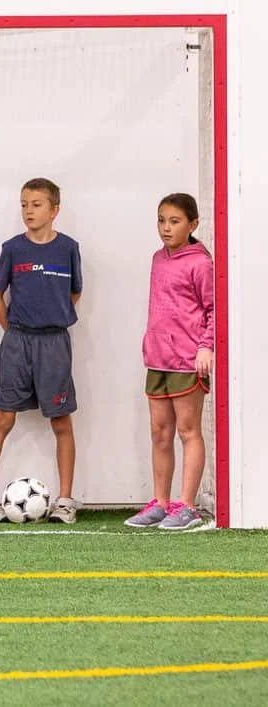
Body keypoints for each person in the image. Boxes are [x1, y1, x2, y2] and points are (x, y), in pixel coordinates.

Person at [0, 178, 83, 524]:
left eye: (36, 204)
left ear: (54, 210)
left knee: (61, 421)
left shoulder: (68, 248)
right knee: (3, 417)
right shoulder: (13, 248)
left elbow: (74, 293)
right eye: (23, 205)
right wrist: (13, 329)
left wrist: (51, 318)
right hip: (17, 341)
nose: (28, 211)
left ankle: (65, 501)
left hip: (55, 343)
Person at [125, 193, 213, 530]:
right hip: (158, 359)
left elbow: (211, 310)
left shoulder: (200, 263)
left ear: (192, 224)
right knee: (159, 433)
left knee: (188, 431)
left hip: (188, 360)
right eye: (161, 220)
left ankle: (187, 505)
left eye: (174, 221)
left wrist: (205, 347)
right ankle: (161, 503)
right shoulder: (157, 259)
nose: (165, 228)